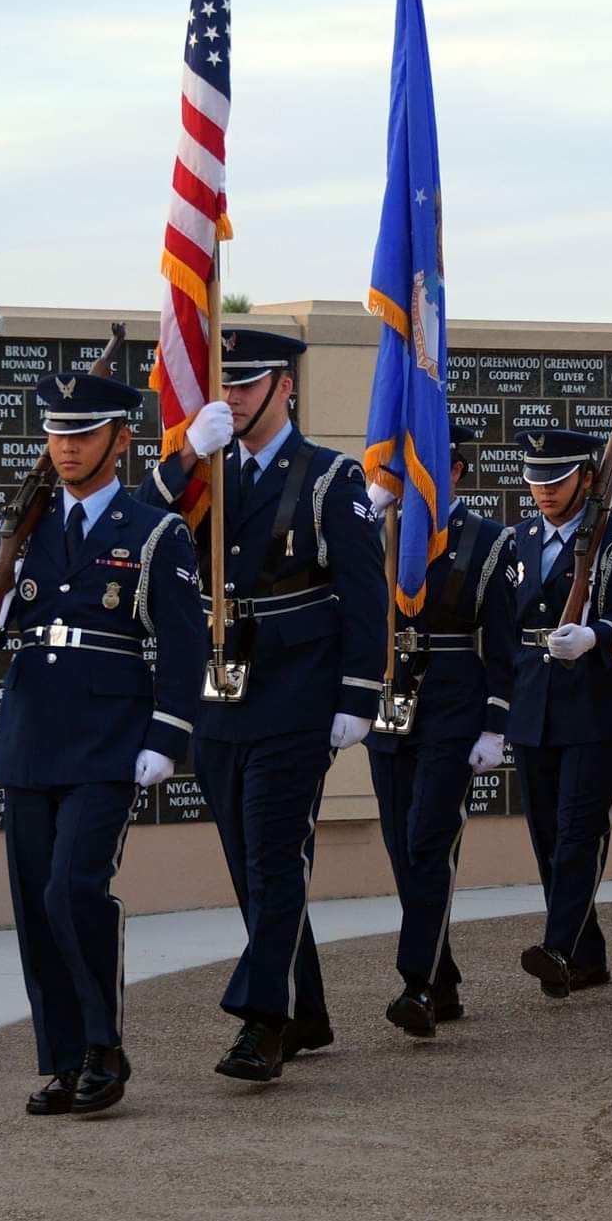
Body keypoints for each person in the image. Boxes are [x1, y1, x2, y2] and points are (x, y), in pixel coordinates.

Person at [0, 372, 207, 1116]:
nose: (66, 448)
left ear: (120, 441)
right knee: (35, 902)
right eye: (56, 434)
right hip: (30, 736)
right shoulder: (28, 527)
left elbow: (184, 650)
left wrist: (168, 736)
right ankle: (62, 1060)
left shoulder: (153, 531)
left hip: (106, 743)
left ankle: (103, 1046)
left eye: (83, 434)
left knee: (72, 889)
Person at [138, 328, 387, 1082]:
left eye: (249, 385)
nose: (235, 398)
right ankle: (306, 1009)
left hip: (297, 691)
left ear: (285, 387)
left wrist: (358, 694)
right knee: (249, 866)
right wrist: (184, 456)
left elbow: (366, 594)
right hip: (221, 693)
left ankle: (263, 1023)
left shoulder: (327, 476)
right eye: (227, 385)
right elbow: (138, 526)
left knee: (277, 857)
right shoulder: (205, 472)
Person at [365, 425, 516, 1037]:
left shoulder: (488, 541)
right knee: (403, 847)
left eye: (429, 466)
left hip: (454, 707)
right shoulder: (372, 529)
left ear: (453, 472)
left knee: (430, 839)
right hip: (388, 706)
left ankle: (418, 984)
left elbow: (505, 647)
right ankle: (443, 975)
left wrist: (495, 724)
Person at [507, 428, 612, 998]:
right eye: (535, 478)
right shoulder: (516, 539)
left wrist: (594, 635)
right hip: (535, 704)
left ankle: (559, 947)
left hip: (598, 707)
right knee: (547, 835)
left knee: (579, 834)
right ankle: (587, 957)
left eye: (557, 478)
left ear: (587, 478)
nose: (543, 489)